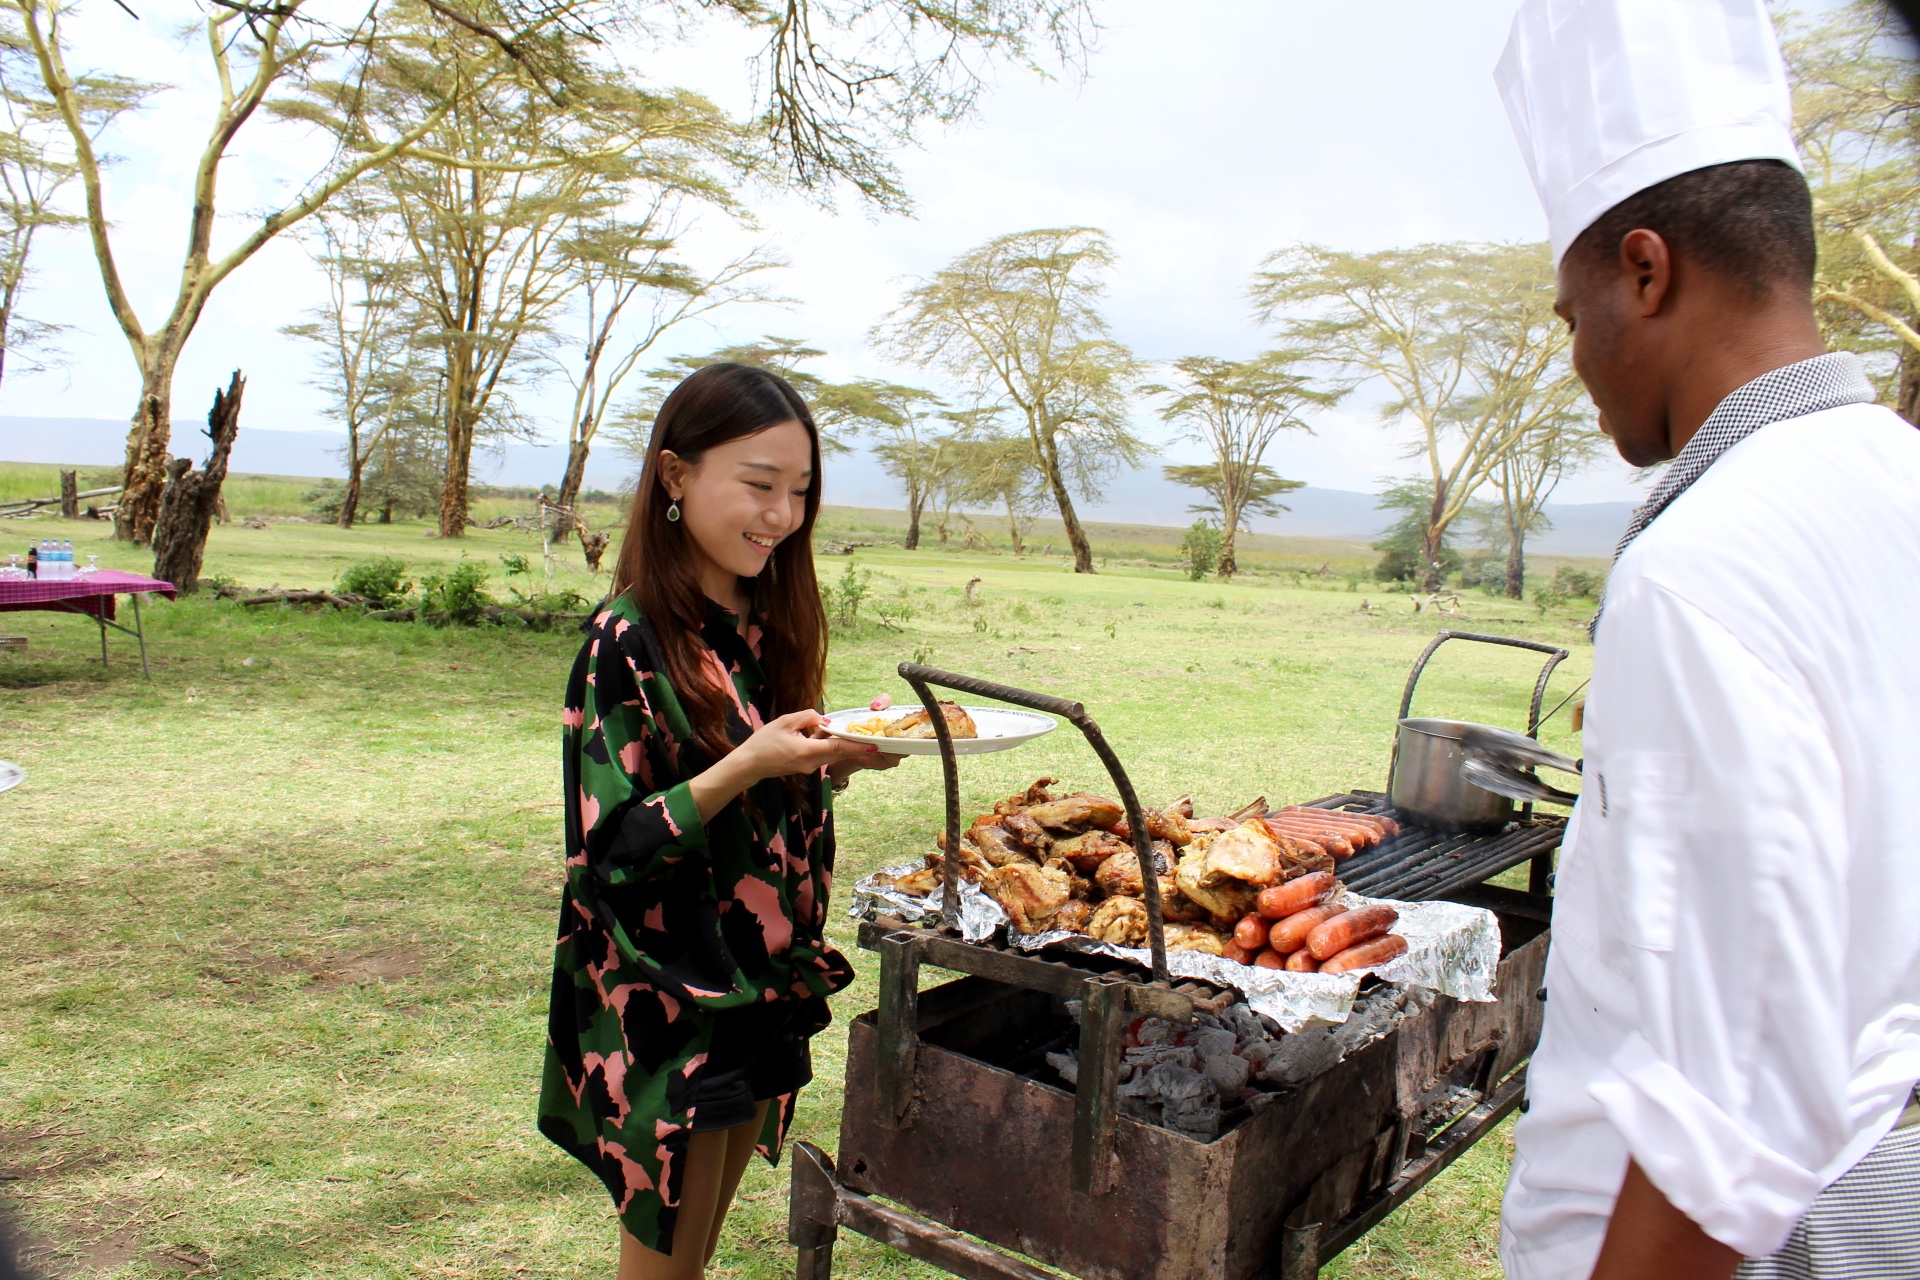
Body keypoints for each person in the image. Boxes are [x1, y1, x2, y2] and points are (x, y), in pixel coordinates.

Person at [1491, 2, 1920, 1278]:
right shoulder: (1898, 474)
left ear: (1645, 270)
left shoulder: (1702, 566)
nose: (1578, 358)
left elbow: (1724, 1117)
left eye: (1573, 317)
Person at [536, 362, 899, 1279]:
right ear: (674, 477)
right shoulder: (628, 641)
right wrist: (748, 763)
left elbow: (755, 805)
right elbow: (610, 850)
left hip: (763, 982)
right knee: (661, 1268)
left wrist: (824, 762)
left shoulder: (764, 623)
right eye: (759, 485)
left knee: (692, 1258)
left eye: (800, 492)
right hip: (677, 994)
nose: (781, 515)